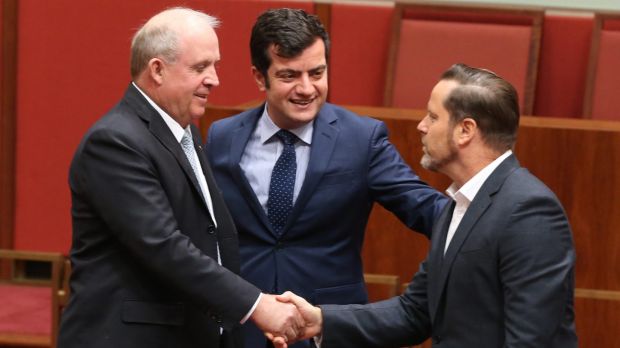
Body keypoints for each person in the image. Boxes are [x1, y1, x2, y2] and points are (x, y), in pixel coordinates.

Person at [274, 63, 578, 348]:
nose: (421, 126)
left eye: (433, 117)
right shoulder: (458, 206)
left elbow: (531, 340)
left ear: (465, 130)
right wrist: (321, 320)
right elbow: (415, 311)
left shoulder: (528, 211)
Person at [57, 8, 305, 348]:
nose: (215, 79)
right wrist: (256, 305)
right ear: (157, 70)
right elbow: (163, 246)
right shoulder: (116, 141)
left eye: (215, 66)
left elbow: (212, 236)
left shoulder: (183, 133)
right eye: (201, 67)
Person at [206, 8, 448, 348]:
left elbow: (424, 206)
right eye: (290, 76)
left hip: (328, 328)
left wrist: (489, 226)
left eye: (317, 73)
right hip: (244, 329)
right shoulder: (222, 137)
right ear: (260, 77)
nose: (307, 89)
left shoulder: (361, 139)